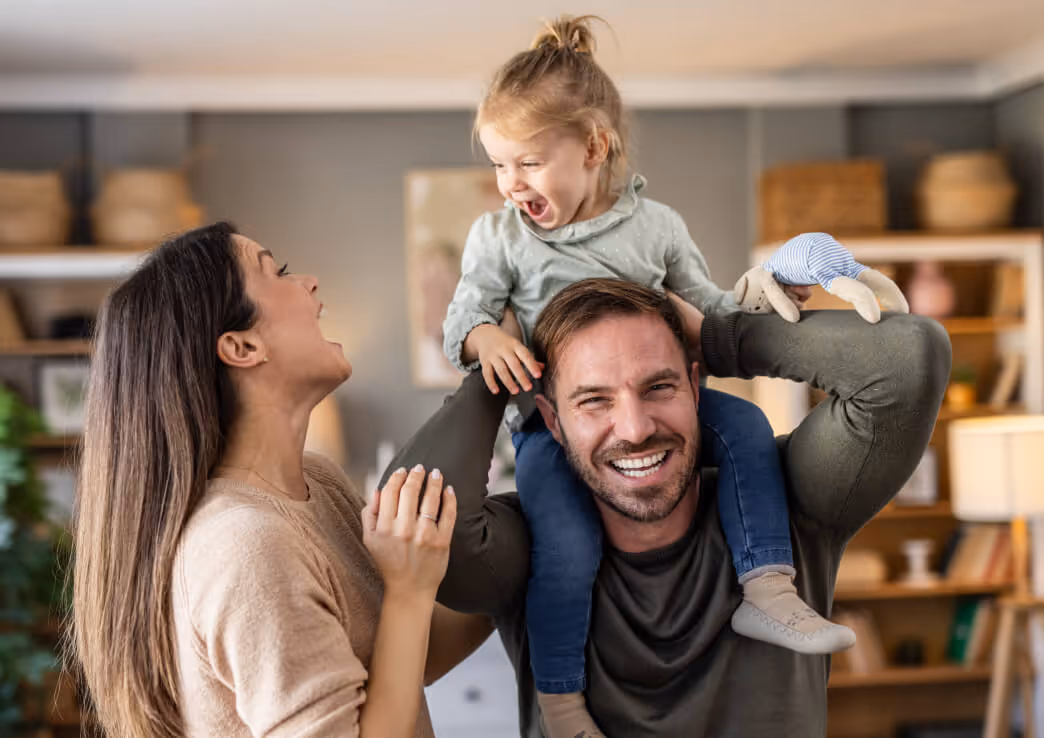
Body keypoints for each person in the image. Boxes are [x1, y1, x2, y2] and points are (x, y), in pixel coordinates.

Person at [441, 15, 865, 735]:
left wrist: (766, 299)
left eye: (529, 162)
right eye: (500, 165)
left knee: (749, 427)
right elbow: (463, 318)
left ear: (594, 147)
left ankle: (767, 586)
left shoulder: (655, 227)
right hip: (556, 432)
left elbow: (709, 312)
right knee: (566, 554)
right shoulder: (500, 239)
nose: (511, 183)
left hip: (663, 401)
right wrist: (487, 340)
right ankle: (564, 702)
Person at [390, 278, 950, 737]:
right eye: (594, 400)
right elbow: (412, 505)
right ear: (552, 421)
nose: (634, 429)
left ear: (695, 387)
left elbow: (907, 359)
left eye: (659, 387)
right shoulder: (526, 545)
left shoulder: (791, 503)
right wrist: (494, 367)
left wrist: (720, 336)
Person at [67, 222, 493, 738]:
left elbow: (405, 664)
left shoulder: (319, 484)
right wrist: (407, 588)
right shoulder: (246, 547)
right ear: (242, 347)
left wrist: (528, 557)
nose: (310, 282)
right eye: (278, 272)